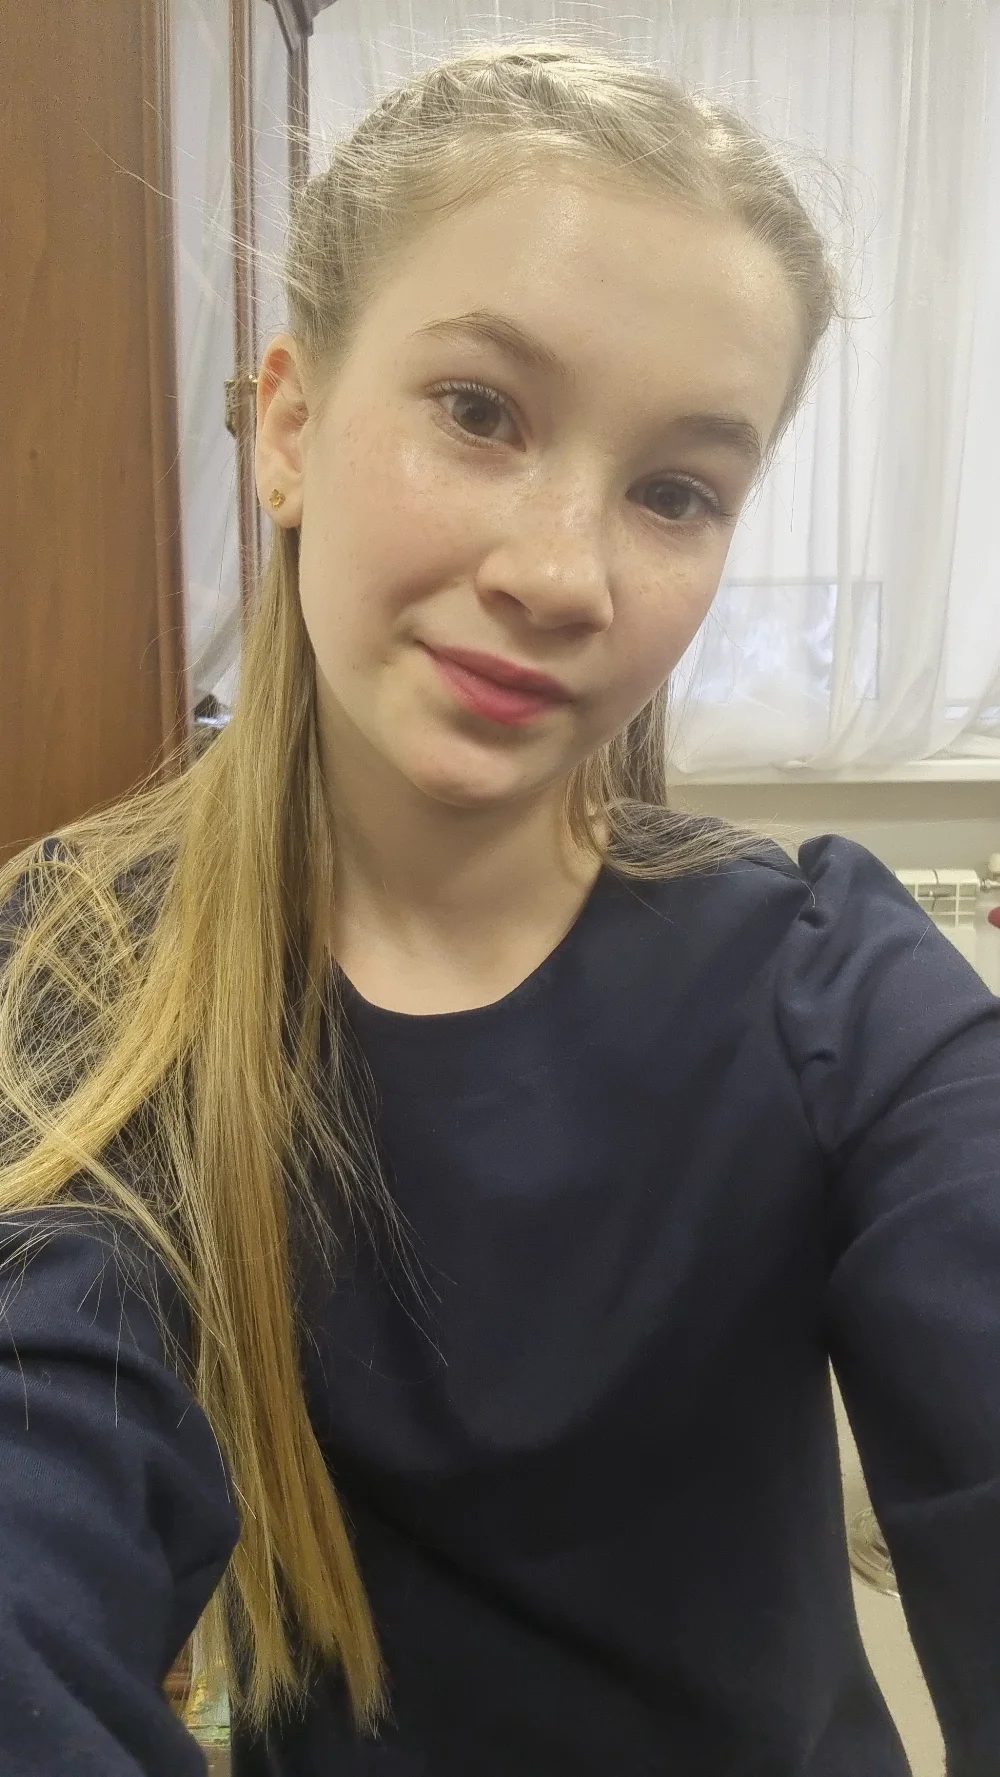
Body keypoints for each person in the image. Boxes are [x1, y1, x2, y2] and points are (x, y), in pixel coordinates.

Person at [0, 38, 997, 1777]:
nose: (560, 574)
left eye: (676, 492)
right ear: (291, 425)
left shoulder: (831, 989)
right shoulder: (93, 976)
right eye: (478, 412)